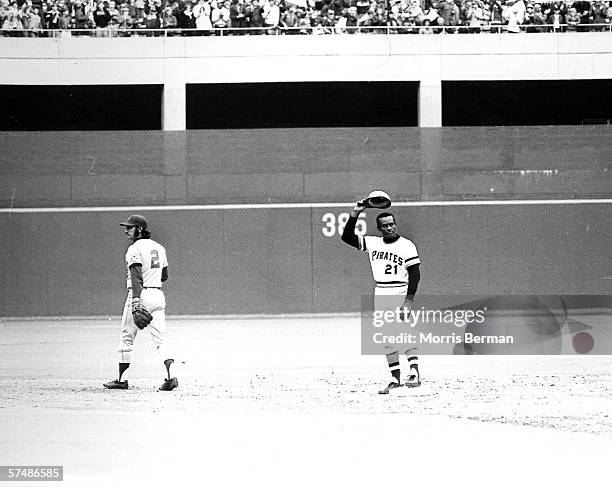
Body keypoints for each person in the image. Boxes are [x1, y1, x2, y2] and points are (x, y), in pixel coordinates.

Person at [341, 200, 421, 395]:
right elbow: (346, 237)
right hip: (382, 292)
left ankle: (414, 373)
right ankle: (395, 378)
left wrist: (409, 300)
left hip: (400, 290)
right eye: (384, 225)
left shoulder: (406, 245)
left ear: (395, 224)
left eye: (391, 224)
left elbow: (415, 274)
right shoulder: (373, 243)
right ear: (379, 228)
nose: (389, 227)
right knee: (387, 336)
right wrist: (356, 213)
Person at [103, 215, 178, 391]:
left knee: (126, 337)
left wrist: (136, 299)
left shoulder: (134, 249)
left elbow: (136, 276)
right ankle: (170, 377)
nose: (126, 230)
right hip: (157, 295)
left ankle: (122, 380)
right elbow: (164, 275)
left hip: (140, 295)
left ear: (140, 229)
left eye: (130, 227)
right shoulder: (159, 248)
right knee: (161, 339)